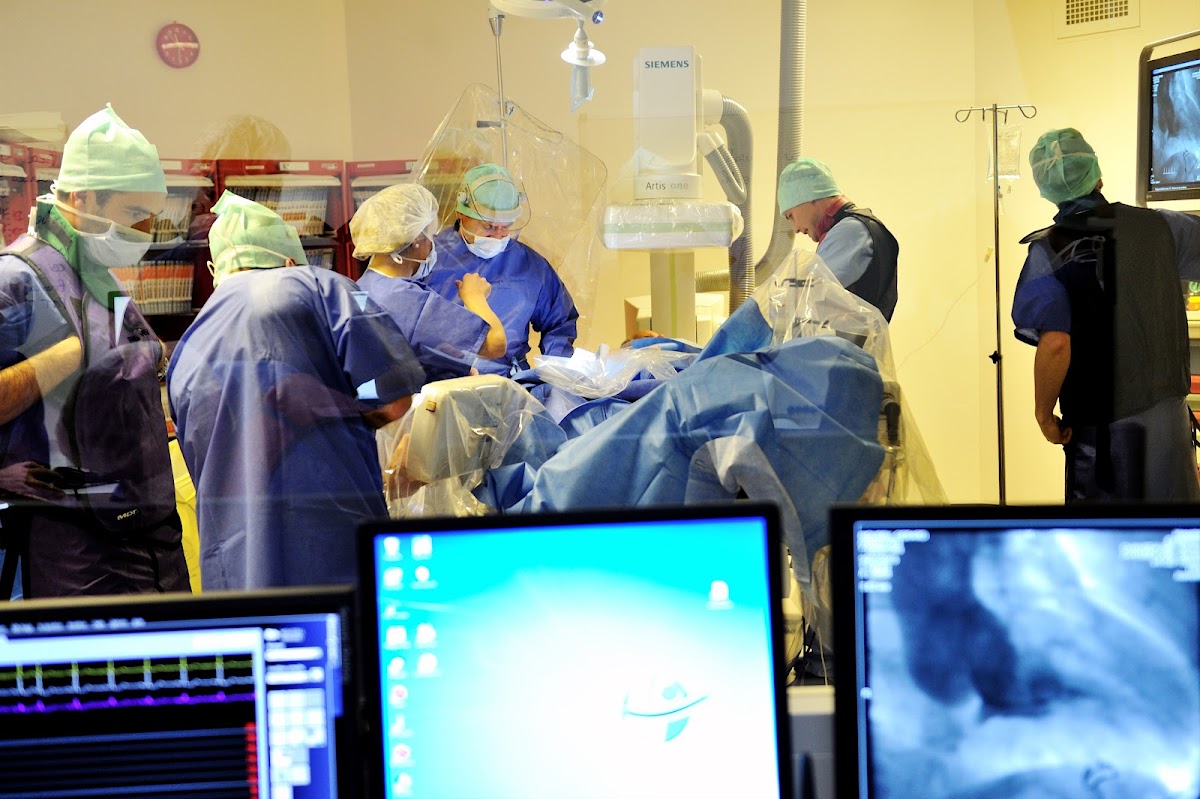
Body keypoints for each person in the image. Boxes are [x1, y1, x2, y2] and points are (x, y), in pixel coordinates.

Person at [167, 191, 426, 589]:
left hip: (238, 564)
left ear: (215, 268)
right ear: (290, 260)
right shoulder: (324, 287)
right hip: (331, 539)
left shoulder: (188, 346)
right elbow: (393, 401)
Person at [0, 104, 190, 596]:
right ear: (83, 197)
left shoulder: (95, 277)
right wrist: (60, 360)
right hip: (77, 556)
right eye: (132, 214)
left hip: (146, 536)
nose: (145, 232)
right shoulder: (17, 279)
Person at [1012, 127, 1200, 502]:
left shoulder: (1048, 252)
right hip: (1169, 426)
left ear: (1045, 188)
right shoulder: (1161, 226)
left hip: (1106, 438)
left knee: (1112, 542)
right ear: (1096, 174)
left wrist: (1044, 416)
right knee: (1175, 536)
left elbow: (1054, 345)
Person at [424, 163, 578, 375]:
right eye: (488, 226)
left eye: (505, 226)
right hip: (441, 380)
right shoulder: (429, 259)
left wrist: (557, 372)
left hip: (508, 382)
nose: (497, 235)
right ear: (461, 212)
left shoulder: (529, 265)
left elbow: (560, 321)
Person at [351, 183, 506, 382]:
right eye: (431, 235)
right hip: (413, 410)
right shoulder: (406, 300)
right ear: (416, 239)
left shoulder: (362, 286)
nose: (433, 244)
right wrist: (474, 297)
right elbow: (496, 343)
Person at [777, 157, 899, 321]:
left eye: (791, 216)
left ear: (809, 197)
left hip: (848, 345)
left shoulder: (851, 230)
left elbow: (810, 296)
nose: (795, 228)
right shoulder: (856, 227)